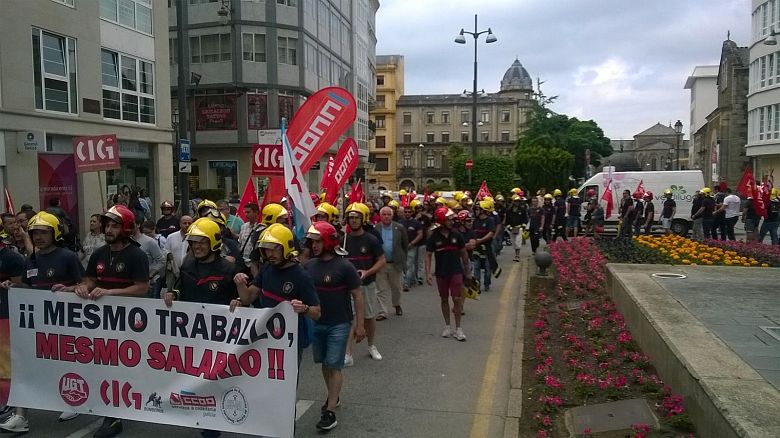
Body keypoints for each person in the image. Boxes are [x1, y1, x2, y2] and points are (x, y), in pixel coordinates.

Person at [0, 212, 84, 433]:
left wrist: (71, 289)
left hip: (65, 323)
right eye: (34, 232)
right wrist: (14, 286)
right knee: (26, 365)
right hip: (37, 324)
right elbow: (29, 287)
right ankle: (21, 416)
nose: (38, 237)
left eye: (43, 232)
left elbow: (84, 286)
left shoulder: (68, 257)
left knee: (65, 362)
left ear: (55, 233)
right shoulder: (31, 259)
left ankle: (71, 402)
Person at [75, 205, 150, 438]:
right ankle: (110, 412)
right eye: (107, 225)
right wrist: (80, 287)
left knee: (122, 368)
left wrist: (109, 293)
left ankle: (115, 415)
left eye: (114, 225)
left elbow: (142, 288)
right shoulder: (98, 253)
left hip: (128, 324)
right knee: (103, 365)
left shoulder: (137, 255)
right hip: (100, 322)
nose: (108, 229)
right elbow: (89, 279)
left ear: (126, 228)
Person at [303, 222, 365, 431]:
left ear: (329, 241)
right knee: (324, 364)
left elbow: (357, 295)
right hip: (317, 324)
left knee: (334, 364)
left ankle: (329, 411)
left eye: (318, 241)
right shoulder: (309, 265)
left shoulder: (345, 266)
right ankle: (333, 396)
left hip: (339, 324)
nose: (314, 245)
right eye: (312, 242)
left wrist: (360, 325)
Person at [232, 223, 320, 364]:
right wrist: (240, 284)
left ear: (287, 247)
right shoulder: (266, 268)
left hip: (291, 339)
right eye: (266, 249)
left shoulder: (301, 276)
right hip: (266, 334)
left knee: (287, 380)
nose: (270, 254)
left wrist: (304, 308)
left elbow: (316, 313)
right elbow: (248, 298)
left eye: (275, 249)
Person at [342, 202, 385, 365]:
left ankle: (371, 345)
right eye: (350, 217)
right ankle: (348, 353)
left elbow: (381, 261)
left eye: (356, 217)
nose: (353, 221)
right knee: (350, 318)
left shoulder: (371, 239)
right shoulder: (343, 239)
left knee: (369, 317)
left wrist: (367, 272)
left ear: (363, 219)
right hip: (347, 287)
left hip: (367, 284)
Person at [425, 207, 472, 341]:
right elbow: (428, 255)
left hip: (456, 271)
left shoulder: (457, 235)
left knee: (456, 299)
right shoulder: (434, 237)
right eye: (449, 219)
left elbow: (464, 254)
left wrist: (467, 272)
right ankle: (447, 326)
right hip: (441, 273)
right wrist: (428, 273)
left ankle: (459, 329)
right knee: (444, 299)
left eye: (452, 219)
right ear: (442, 220)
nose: (452, 221)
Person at [373, 206, 408, 319]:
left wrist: (403, 259)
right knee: (381, 289)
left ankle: (397, 304)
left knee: (396, 287)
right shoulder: (376, 228)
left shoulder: (399, 228)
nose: (386, 216)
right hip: (380, 263)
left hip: (395, 263)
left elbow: (404, 245)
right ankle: (382, 311)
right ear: (380, 216)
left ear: (392, 216)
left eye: (389, 214)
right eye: (384, 214)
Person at [133, 220, 165, 298]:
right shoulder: (125, 242)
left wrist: (150, 276)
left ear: (138, 225)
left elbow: (161, 261)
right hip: (132, 285)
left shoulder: (149, 241)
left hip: (149, 284)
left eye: (131, 224)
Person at [163, 215, 193, 290]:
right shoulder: (171, 237)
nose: (187, 225)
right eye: (184, 223)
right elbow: (166, 252)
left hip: (190, 273)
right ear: (180, 224)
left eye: (189, 223)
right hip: (173, 272)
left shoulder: (195, 238)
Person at [402, 205, 424, 291]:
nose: (407, 214)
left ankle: (406, 283)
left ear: (412, 213)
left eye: (409, 212)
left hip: (412, 247)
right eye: (405, 212)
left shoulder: (416, 223)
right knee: (404, 265)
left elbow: (420, 234)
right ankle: (411, 280)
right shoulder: (400, 222)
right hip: (402, 247)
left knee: (409, 264)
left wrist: (412, 243)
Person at [505, 194, 528, 262]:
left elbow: (525, 219)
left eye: (518, 201)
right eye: (515, 201)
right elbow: (507, 220)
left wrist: (523, 226)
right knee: (514, 242)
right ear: (513, 201)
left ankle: (517, 255)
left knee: (518, 242)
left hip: (519, 228)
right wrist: (509, 227)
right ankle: (516, 254)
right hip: (512, 228)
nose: (517, 202)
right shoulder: (509, 210)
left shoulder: (522, 209)